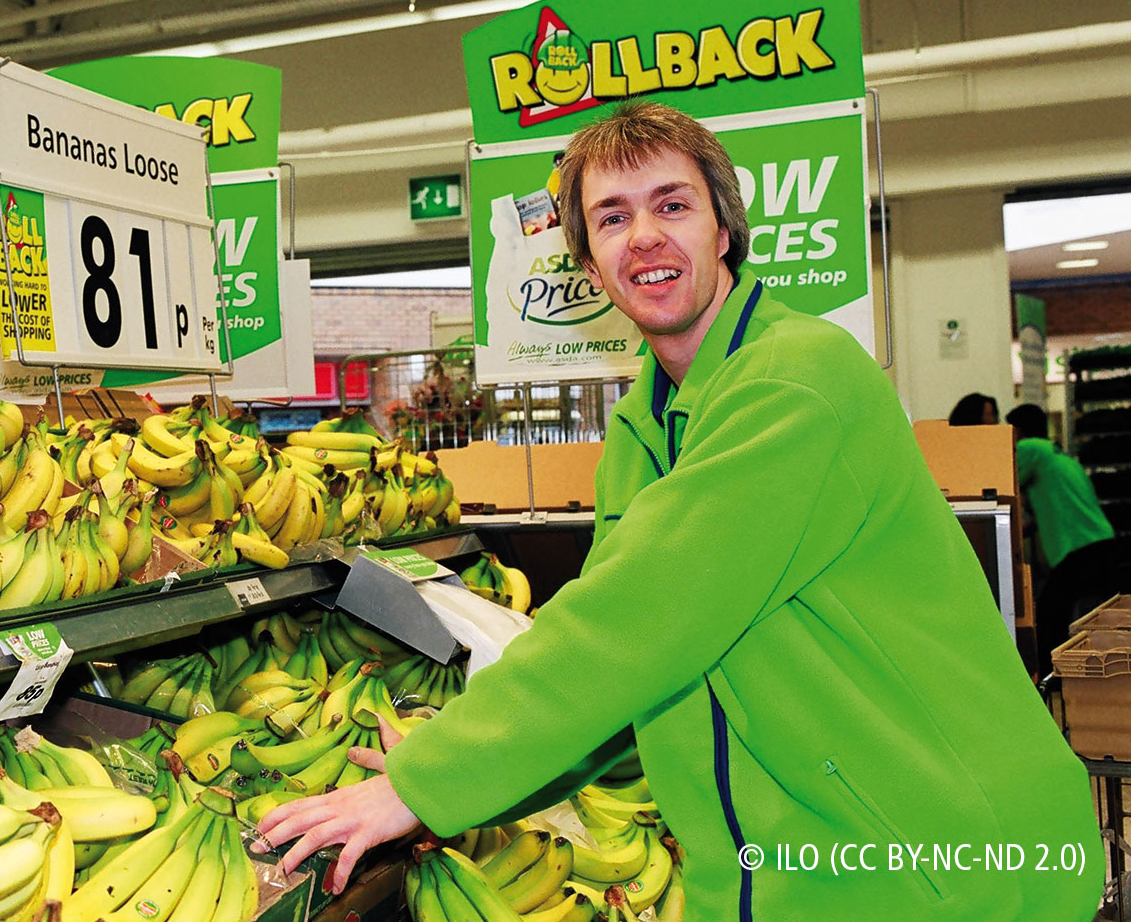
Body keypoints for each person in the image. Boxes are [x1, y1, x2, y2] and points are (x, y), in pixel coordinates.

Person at [256, 101, 1102, 920]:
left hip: (941, 855)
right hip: (786, 871)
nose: (647, 235)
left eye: (673, 204)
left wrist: (424, 781)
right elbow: (642, 678)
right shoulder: (640, 433)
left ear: (724, 228)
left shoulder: (797, 381)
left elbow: (638, 619)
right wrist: (469, 772)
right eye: (613, 217)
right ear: (588, 266)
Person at [1006, 402, 1123, 672]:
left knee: (1050, 616)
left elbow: (1002, 483)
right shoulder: (1058, 454)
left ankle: (1052, 676)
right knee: (1099, 618)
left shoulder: (1029, 449)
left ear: (1018, 430)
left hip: (1077, 547)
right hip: (1100, 541)